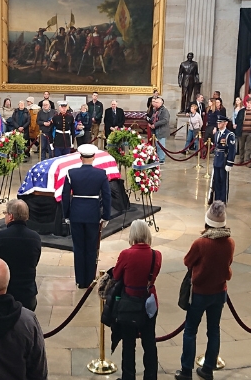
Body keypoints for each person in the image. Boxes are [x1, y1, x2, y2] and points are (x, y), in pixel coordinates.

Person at [175, 202, 233, 380]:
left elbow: (188, 261)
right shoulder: (230, 242)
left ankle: (186, 370)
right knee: (214, 330)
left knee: (190, 331)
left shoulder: (201, 243)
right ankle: (208, 368)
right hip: (219, 291)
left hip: (200, 293)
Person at [114, 219, 162, 380]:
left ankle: (128, 376)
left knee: (129, 345)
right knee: (149, 343)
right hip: (149, 303)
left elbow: (116, 275)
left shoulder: (126, 254)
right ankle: (150, 376)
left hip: (130, 304)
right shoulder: (157, 255)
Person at [61, 144, 112, 289]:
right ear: (94, 157)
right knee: (91, 248)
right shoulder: (101, 174)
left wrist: (66, 214)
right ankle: (90, 280)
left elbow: (65, 196)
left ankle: (80, 281)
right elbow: (107, 196)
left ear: (80, 157)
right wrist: (106, 216)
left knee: (78, 248)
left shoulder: (71, 173)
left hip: (76, 214)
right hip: (93, 215)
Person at [0, 200, 42, 311]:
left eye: (5, 213)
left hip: (4, 296)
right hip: (28, 295)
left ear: (10, 216)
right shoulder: (35, 238)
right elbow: (35, 262)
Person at [210, 116, 236, 202]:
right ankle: (216, 199)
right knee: (216, 180)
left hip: (224, 160)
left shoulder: (229, 134)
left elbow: (232, 150)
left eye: (220, 122)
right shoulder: (217, 133)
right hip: (217, 160)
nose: (218, 124)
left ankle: (223, 200)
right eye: (218, 123)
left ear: (225, 123)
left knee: (223, 181)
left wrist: (229, 163)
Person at [234, 98, 251, 166]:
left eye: (250, 103)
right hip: (242, 131)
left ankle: (247, 161)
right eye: (248, 103)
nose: (249, 104)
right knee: (241, 147)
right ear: (246, 103)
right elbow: (237, 120)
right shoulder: (241, 111)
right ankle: (241, 159)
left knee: (248, 148)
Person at [149, 97, 170, 164]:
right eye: (154, 102)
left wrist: (155, 124)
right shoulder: (155, 110)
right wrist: (150, 123)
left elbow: (165, 120)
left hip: (162, 130)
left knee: (161, 145)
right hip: (156, 130)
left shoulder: (164, 110)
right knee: (157, 145)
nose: (155, 103)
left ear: (161, 103)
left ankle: (161, 159)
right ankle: (158, 157)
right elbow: (153, 118)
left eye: (156, 102)